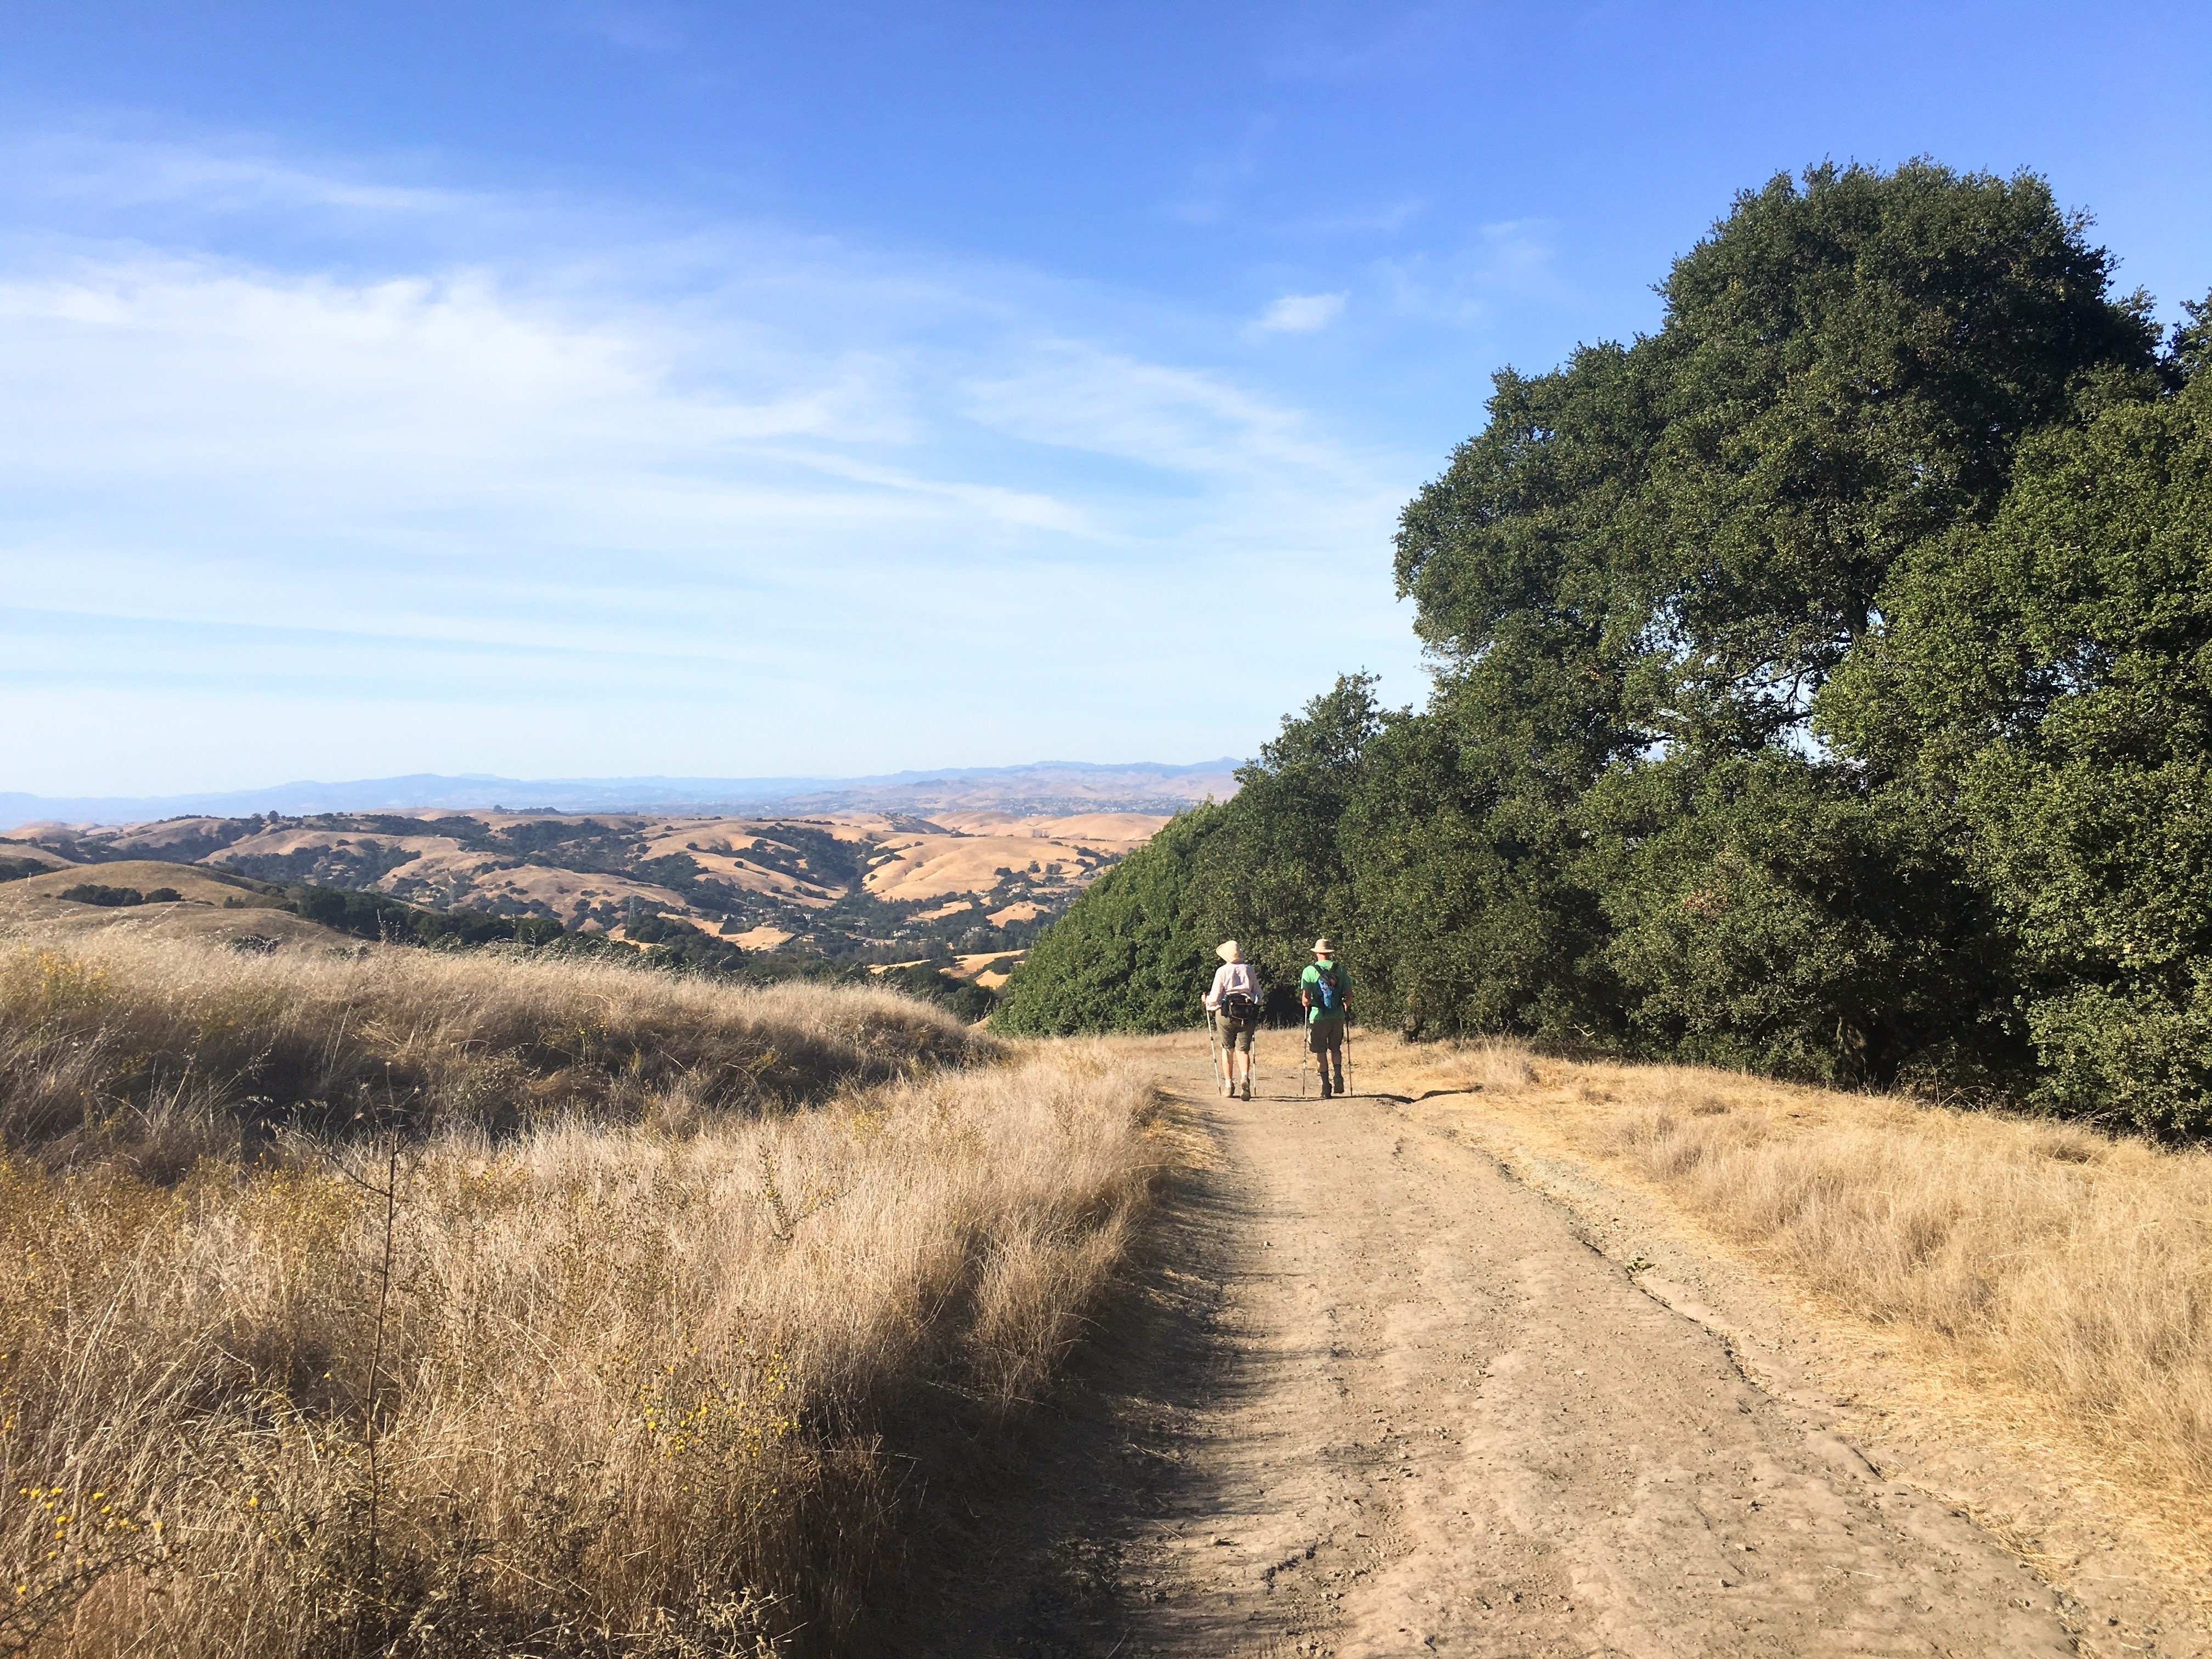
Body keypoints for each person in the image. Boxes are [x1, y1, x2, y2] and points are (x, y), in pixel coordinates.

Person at [1204, 940, 1263, 1099]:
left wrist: (1207, 1001)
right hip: (1247, 1014)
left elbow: (1215, 997)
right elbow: (1259, 993)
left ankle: (1229, 1086)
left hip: (1226, 1014)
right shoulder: (1249, 969)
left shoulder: (1222, 971)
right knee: (1243, 1049)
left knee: (1227, 1049)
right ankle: (1245, 1076)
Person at [1300, 937, 1351, 1098]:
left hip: (1318, 1016)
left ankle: (1325, 1086)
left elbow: (1306, 998)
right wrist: (1344, 1004)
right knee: (1336, 1048)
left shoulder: (1309, 971)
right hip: (1337, 1016)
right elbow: (1350, 996)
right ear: (1329, 953)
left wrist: (1306, 1003)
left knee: (1320, 1051)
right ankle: (1338, 1075)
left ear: (1317, 953)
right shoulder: (1340, 970)